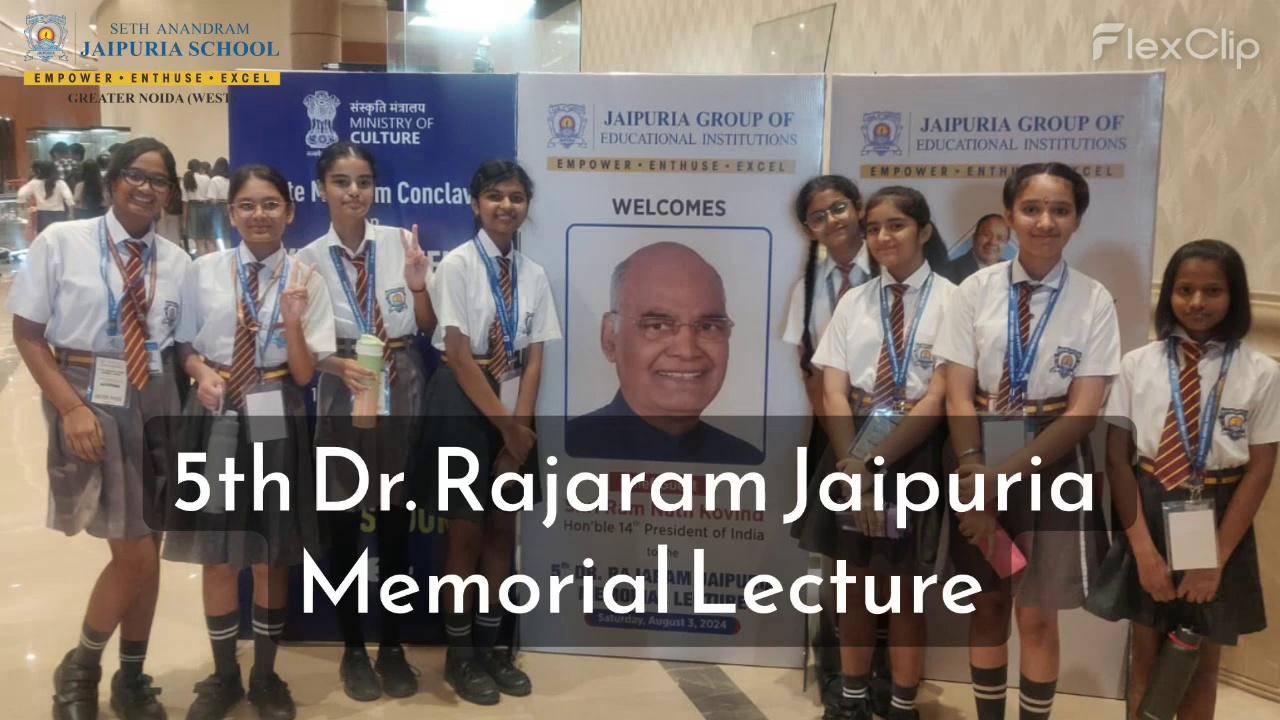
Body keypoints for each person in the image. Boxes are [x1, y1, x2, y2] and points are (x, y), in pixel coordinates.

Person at [9, 137, 188, 720]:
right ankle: (81, 667)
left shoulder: (176, 261)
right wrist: (70, 408)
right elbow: (29, 335)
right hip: (89, 394)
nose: (146, 188)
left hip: (156, 397)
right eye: (135, 175)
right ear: (112, 182)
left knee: (149, 547)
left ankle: (131, 678)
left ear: (169, 194)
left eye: (159, 180)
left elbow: (180, 345)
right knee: (133, 552)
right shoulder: (63, 242)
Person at [933, 162, 1120, 720]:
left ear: (1077, 220)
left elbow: (1084, 412)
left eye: (1060, 210)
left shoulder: (1093, 300)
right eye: (1032, 209)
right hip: (978, 449)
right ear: (1010, 215)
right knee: (987, 603)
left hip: (1056, 458)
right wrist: (974, 469)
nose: (1045, 221)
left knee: (1038, 612)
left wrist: (1003, 474)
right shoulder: (973, 291)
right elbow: (958, 393)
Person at [164, 164, 335, 720]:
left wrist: (289, 324)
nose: (258, 215)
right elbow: (183, 344)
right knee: (217, 556)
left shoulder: (308, 276)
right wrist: (197, 371)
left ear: (289, 211)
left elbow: (308, 375)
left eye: (269, 205)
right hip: (215, 412)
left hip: (276, 410)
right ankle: (222, 677)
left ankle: (264, 676)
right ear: (231, 212)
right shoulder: (204, 270)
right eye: (247, 206)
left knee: (268, 555)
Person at [1091, 239, 1276, 719]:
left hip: (1219, 516)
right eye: (1185, 289)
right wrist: (1144, 553)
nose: (1197, 302)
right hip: (1149, 508)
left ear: (1234, 296)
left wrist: (1213, 560)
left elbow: (1260, 469)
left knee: (1200, 655)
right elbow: (1117, 460)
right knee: (1145, 654)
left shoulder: (1261, 372)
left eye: (1213, 290)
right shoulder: (1137, 365)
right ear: (1168, 294)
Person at [802, 186, 953, 720]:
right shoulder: (854, 301)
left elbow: (939, 396)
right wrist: (854, 470)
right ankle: (852, 697)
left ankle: (903, 702)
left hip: (915, 450)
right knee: (854, 583)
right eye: (874, 228)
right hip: (852, 447)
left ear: (924, 232)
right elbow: (833, 389)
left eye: (897, 226)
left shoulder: (954, 301)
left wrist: (874, 465)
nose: (883, 237)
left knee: (904, 589)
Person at [420, 159, 560, 706]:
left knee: (505, 531)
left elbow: (537, 357)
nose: (507, 205)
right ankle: (459, 657)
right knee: (465, 535)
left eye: (518, 197)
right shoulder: (455, 266)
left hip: (512, 405)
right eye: (496, 196)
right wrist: (508, 429)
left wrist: (519, 431)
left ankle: (492, 647)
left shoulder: (534, 274)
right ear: (475, 202)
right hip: (462, 405)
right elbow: (456, 356)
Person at [300, 141, 435, 703]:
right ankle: (353, 648)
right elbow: (304, 354)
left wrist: (420, 282)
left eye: (362, 180)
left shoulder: (401, 244)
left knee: (396, 524)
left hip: (401, 381)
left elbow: (427, 327)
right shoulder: (305, 259)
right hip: (343, 386)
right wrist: (338, 363)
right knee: (342, 525)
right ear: (321, 189)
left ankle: (394, 646)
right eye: (340, 181)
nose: (353, 191)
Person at [781, 174, 873, 708]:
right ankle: (838, 672)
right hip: (831, 437)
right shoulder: (809, 285)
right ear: (807, 228)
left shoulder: (892, 270)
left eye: (839, 208)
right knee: (838, 558)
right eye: (818, 216)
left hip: (894, 437)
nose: (832, 221)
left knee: (886, 558)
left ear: (857, 209)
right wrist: (843, 448)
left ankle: (881, 668)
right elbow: (808, 369)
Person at [564, 241, 761, 463]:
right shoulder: (564, 452)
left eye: (707, 326)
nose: (687, 351)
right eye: (657, 326)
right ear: (610, 339)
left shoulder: (745, 462)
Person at [940, 213, 1010, 285]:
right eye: (987, 234)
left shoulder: (1011, 274)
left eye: (1000, 238)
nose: (993, 242)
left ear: (1006, 243)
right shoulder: (949, 273)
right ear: (974, 237)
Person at [18, 160, 75, 232]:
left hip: (43, 215)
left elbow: (21, 193)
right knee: (59, 236)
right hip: (59, 214)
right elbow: (69, 198)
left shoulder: (34, 182)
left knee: (45, 237)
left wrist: (22, 203)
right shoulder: (60, 182)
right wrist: (71, 213)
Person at [181, 160, 214, 255]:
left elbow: (185, 203)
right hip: (207, 208)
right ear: (200, 168)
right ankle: (212, 263)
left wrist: (184, 222)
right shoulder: (206, 178)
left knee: (199, 241)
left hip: (193, 209)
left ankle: (202, 264)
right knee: (209, 239)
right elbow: (211, 197)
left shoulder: (186, 179)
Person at [207, 158, 230, 250]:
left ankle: (220, 255)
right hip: (229, 207)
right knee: (228, 235)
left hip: (218, 208)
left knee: (217, 235)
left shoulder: (214, 180)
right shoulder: (230, 179)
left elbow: (212, 199)